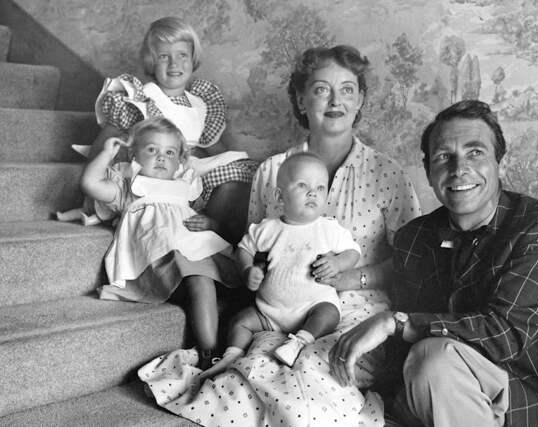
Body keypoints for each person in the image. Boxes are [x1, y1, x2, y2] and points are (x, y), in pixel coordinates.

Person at [138, 45, 422, 426]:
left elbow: (414, 265)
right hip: (280, 312)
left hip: (357, 311)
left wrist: (355, 275)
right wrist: (250, 273)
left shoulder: (388, 175)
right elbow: (257, 251)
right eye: (321, 89)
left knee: (315, 373)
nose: (335, 100)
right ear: (302, 101)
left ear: (361, 100)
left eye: (347, 90)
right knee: (251, 373)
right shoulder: (272, 172)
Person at [329, 100, 538, 427]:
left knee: (435, 358)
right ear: (430, 172)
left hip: (520, 407)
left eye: (475, 153)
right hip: (428, 404)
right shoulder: (413, 238)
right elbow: (402, 358)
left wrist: (396, 323)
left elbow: (508, 332)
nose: (459, 169)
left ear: (500, 163)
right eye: (444, 157)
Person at [59, 17, 255, 242]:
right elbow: (105, 144)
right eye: (164, 57)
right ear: (151, 62)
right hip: (154, 173)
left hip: (185, 174)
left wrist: (225, 162)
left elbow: (215, 149)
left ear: (193, 58)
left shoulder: (200, 102)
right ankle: (182, 230)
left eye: (182, 55)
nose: (174, 64)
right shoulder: (142, 98)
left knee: (236, 172)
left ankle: (207, 229)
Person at [81, 116, 237, 363]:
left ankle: (223, 346)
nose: (161, 157)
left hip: (195, 251)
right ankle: (210, 352)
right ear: (134, 155)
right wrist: (105, 155)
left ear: (179, 162)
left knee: (220, 282)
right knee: (201, 281)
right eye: (152, 150)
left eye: (170, 152)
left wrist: (210, 224)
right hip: (159, 261)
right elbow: (90, 183)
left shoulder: (184, 188)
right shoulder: (128, 188)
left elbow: (202, 219)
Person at [202, 153, 361, 378]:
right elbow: (243, 250)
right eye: (303, 185)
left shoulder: (328, 228)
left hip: (312, 305)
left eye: (320, 187)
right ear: (280, 196)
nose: (313, 192)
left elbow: (354, 252)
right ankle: (231, 355)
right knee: (239, 321)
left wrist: (337, 263)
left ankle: (299, 342)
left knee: (329, 313)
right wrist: (247, 270)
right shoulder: (267, 229)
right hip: (269, 311)